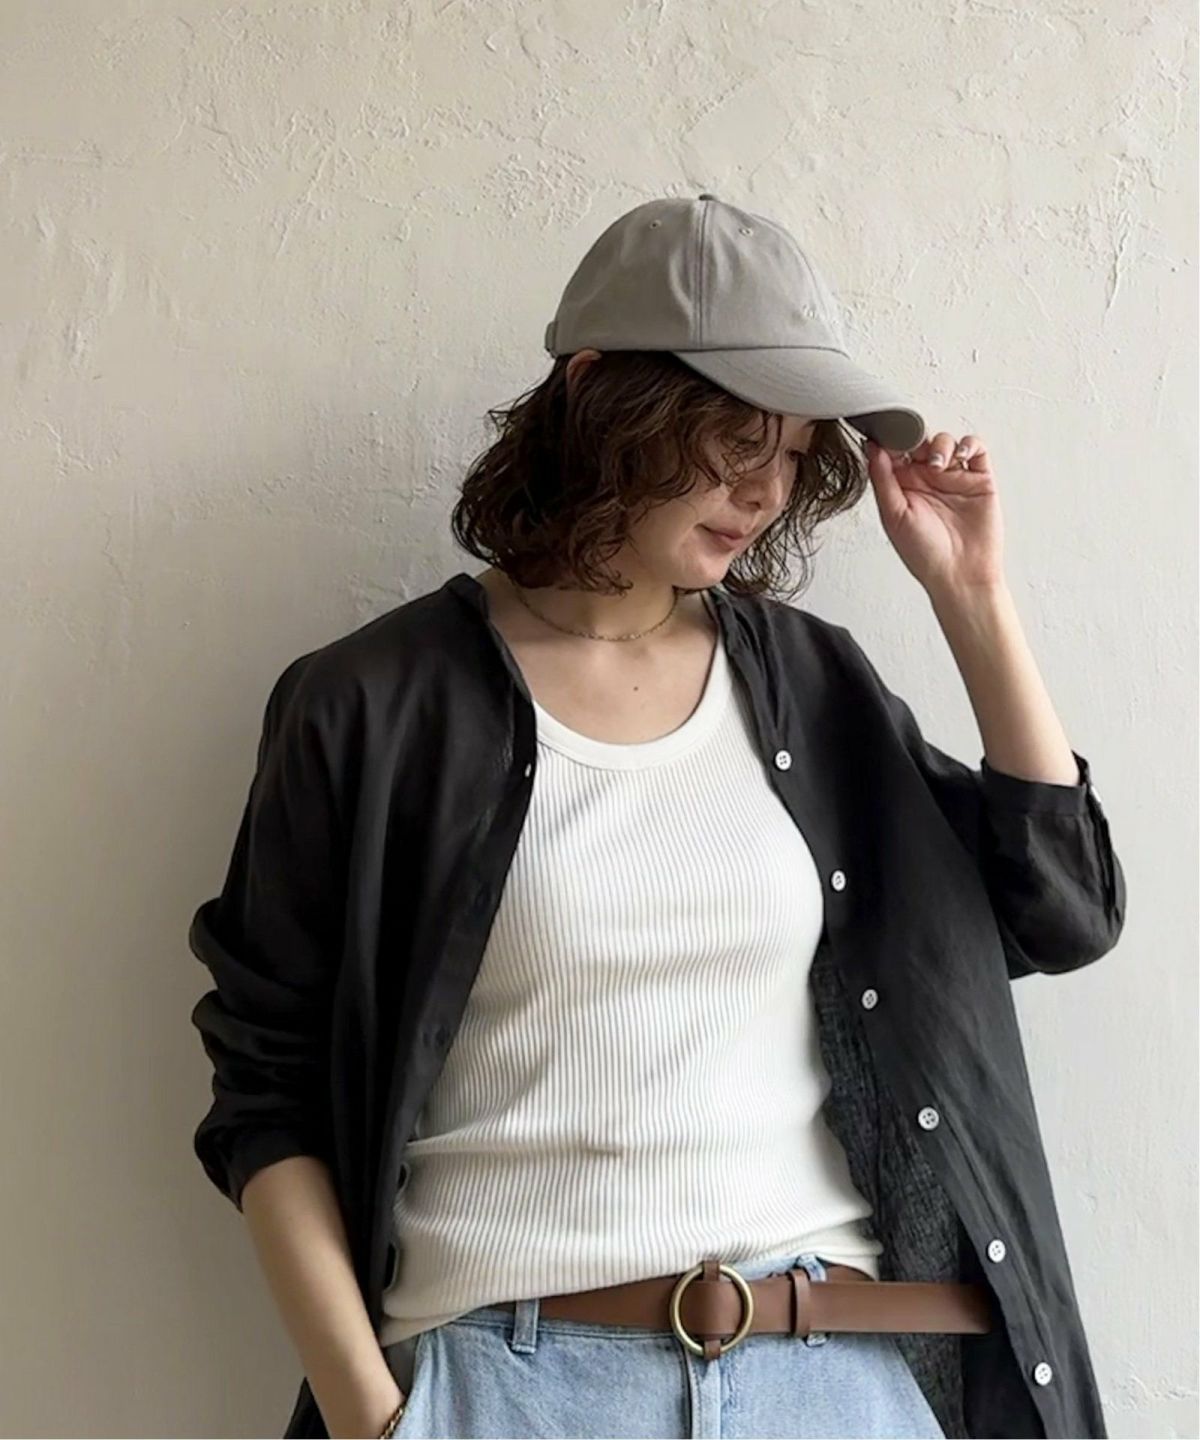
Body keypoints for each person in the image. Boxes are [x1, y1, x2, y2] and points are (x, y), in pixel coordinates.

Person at [189, 196, 1125, 1440]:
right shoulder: (371, 706)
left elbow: (1062, 914)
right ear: (597, 396)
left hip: (829, 1379)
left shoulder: (812, 685)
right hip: (509, 1386)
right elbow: (269, 1093)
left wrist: (974, 597)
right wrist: (376, 1418)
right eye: (731, 437)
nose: (764, 488)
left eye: (793, 450)